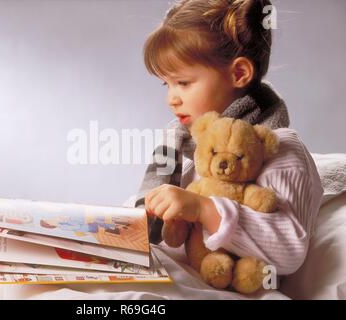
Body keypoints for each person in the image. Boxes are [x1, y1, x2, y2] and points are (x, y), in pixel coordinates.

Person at [135, 0, 323, 276]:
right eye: (168, 84)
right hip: (176, 272)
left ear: (239, 73)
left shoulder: (279, 150)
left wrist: (202, 208)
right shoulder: (189, 146)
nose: (171, 99)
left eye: (183, 83)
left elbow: (289, 248)